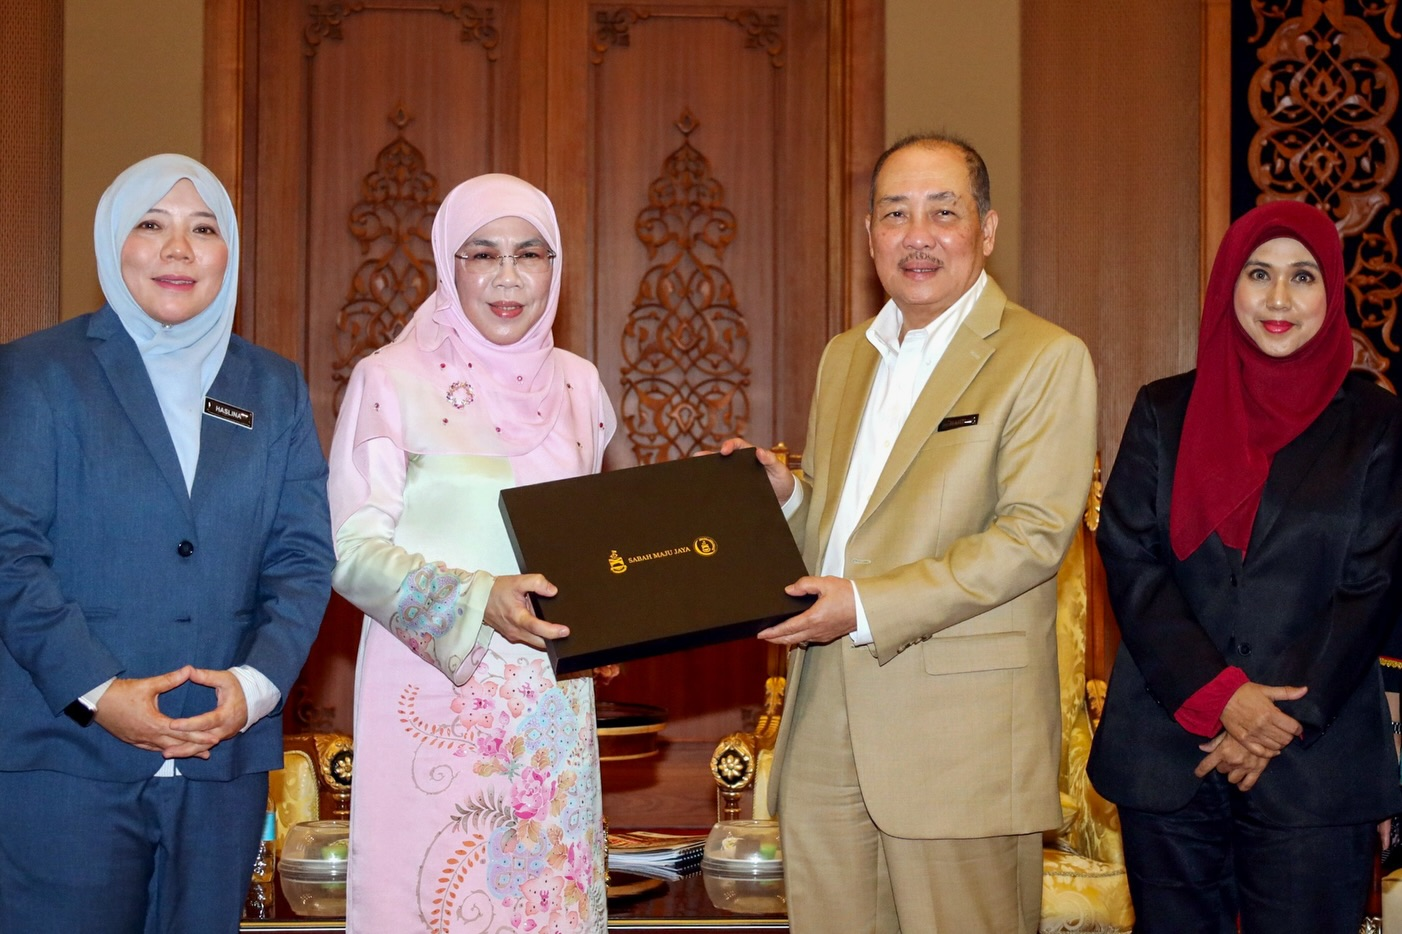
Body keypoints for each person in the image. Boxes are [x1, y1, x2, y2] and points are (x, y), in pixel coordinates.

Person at [722, 133, 1098, 932]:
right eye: (895, 214)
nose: (916, 236)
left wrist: (863, 606)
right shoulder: (845, 358)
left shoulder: (1043, 357)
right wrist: (786, 499)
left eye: (942, 212)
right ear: (870, 236)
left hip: (959, 735)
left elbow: (1031, 537)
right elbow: (850, 523)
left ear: (986, 231)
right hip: (825, 716)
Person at [0, 154, 335, 932]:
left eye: (203, 229)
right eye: (152, 224)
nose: (179, 249)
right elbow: (10, 551)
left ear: (229, 252)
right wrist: (100, 691)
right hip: (65, 759)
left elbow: (302, 558)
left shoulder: (273, 387)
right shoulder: (36, 373)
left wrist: (255, 686)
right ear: (113, 241)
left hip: (222, 765)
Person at [1086, 200, 1402, 934]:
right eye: (1259, 274)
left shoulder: (1377, 423)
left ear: (1333, 292)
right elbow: (1131, 559)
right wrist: (1220, 697)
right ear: (1229, 285)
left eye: (1303, 276)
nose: (1279, 297)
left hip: (1316, 762)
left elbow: (1371, 586)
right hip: (1168, 751)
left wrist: (1270, 722)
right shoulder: (1163, 410)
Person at [328, 173, 615, 933]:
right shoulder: (390, 380)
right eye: (483, 254)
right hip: (436, 695)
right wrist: (479, 597)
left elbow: (587, 539)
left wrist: (612, 622)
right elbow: (351, 551)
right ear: (448, 265)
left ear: (556, 266)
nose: (509, 277)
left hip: (550, 708)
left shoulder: (581, 386)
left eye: (531, 254)